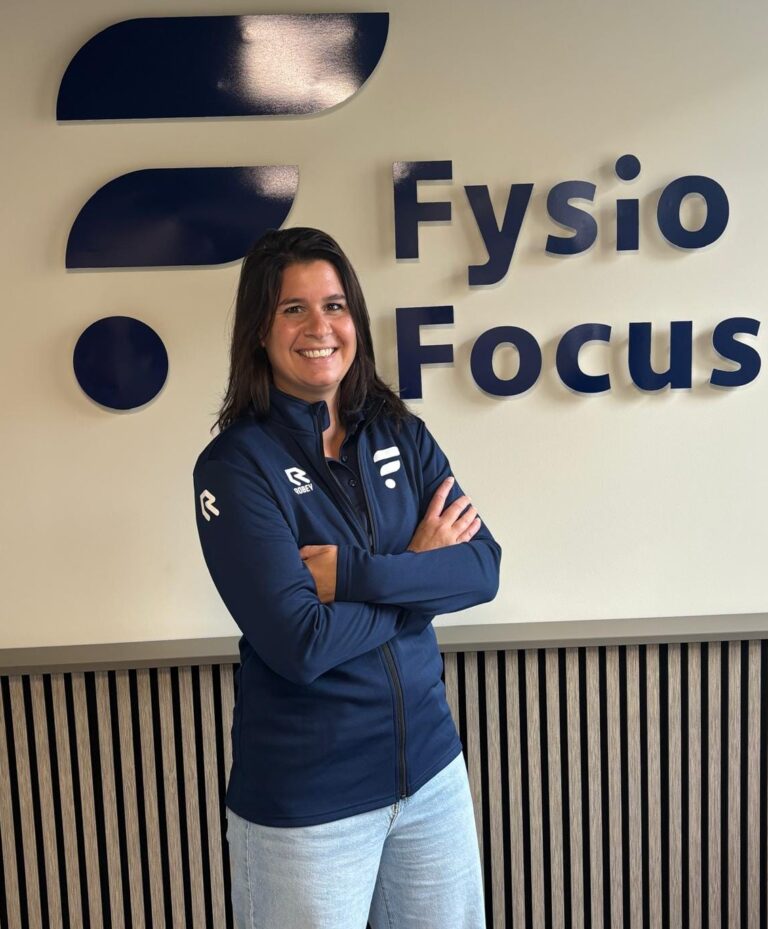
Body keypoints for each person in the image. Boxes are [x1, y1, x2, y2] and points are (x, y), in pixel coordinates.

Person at [193, 227, 501, 929]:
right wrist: (420, 574)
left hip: (431, 777)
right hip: (310, 803)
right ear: (259, 331)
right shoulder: (236, 466)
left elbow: (483, 569)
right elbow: (301, 643)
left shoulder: (400, 433)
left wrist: (355, 574)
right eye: (293, 309)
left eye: (334, 305)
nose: (320, 327)